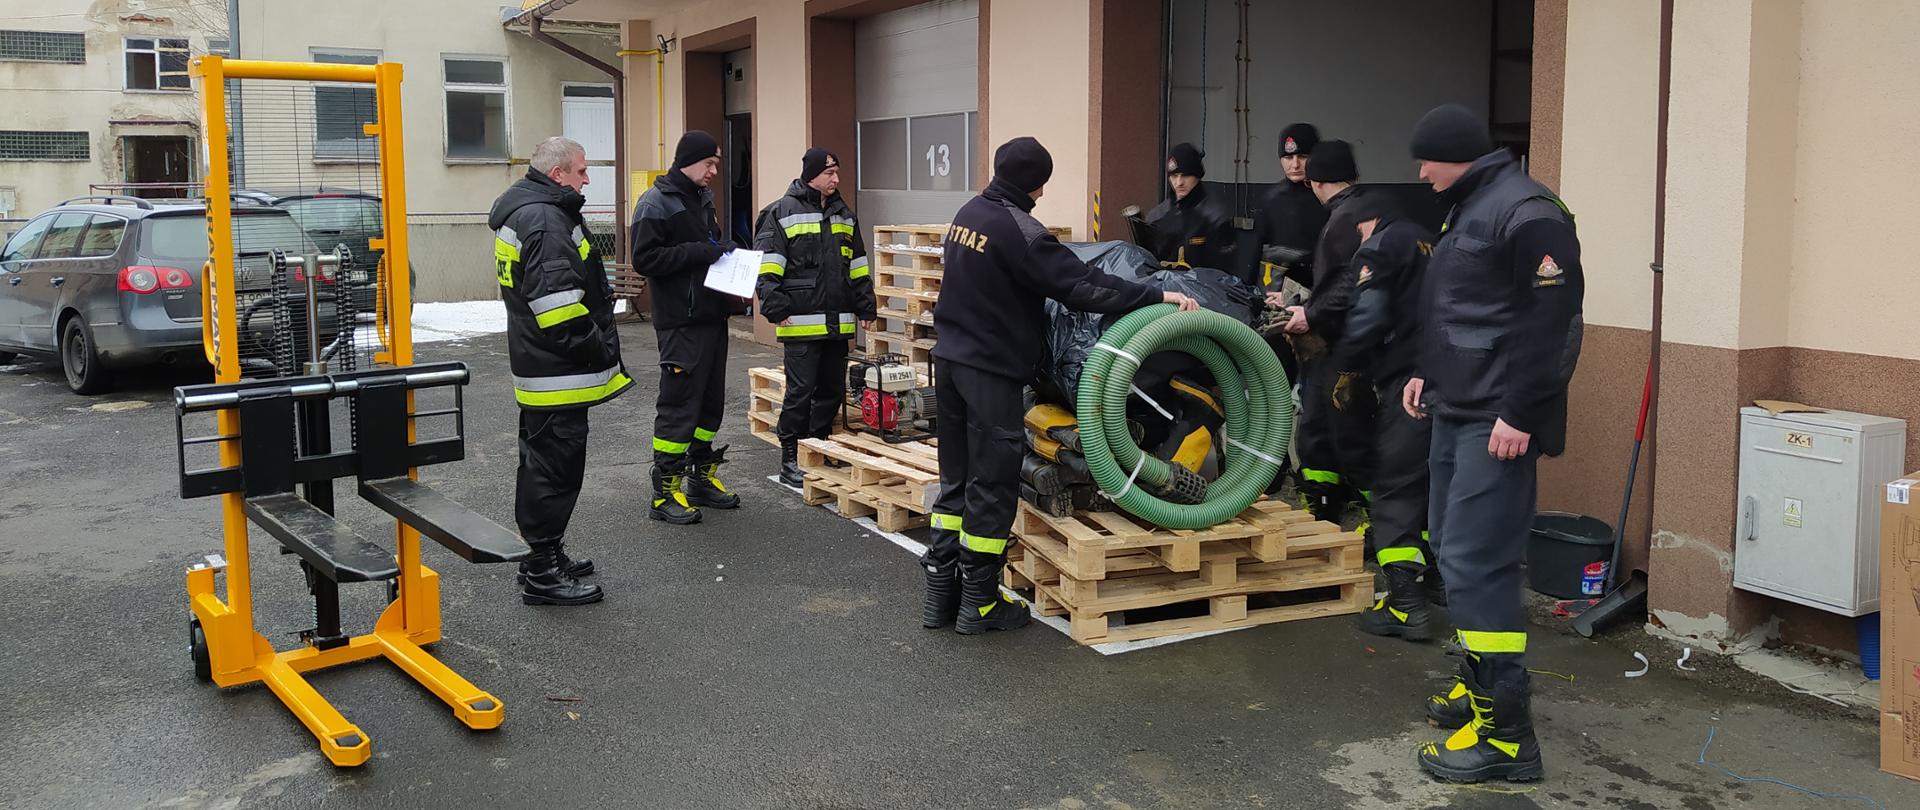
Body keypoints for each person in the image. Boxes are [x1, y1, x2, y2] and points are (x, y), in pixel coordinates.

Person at [922, 136, 1198, 635]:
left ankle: (942, 596)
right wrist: (1157, 294)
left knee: (958, 477)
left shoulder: (970, 214)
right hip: (989, 371)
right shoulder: (1021, 231)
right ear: (1038, 183)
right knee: (993, 482)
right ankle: (979, 605)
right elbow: (1082, 285)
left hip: (950, 361)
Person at [1402, 103, 1583, 784]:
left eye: (1428, 159)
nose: (1421, 173)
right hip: (1458, 404)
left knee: (1478, 562)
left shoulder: (1528, 210)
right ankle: (1478, 690)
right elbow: (1461, 306)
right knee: (1451, 548)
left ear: (1462, 155)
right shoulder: (1472, 204)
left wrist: (1522, 411)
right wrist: (1427, 369)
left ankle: (1507, 739)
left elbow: (1554, 321)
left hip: (1497, 420)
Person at [489, 136, 632, 606]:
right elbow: (559, 311)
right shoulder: (547, 220)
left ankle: (543, 558)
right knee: (553, 471)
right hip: (557, 374)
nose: (587, 179)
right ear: (558, 175)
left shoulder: (530, 211)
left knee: (544, 466)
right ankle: (544, 572)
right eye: (582, 170)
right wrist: (597, 351)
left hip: (541, 369)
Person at [1331, 195, 1438, 641]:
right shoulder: (1428, 241)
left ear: (1369, 221)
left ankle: (1405, 607)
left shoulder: (1379, 246)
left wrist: (1345, 364)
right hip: (1444, 379)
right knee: (1432, 484)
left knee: (1394, 488)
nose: (1359, 236)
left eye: (1359, 228)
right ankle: (1438, 582)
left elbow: (1369, 315)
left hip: (1406, 385)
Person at [632, 130, 747, 525]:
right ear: (688, 160)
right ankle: (664, 493)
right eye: (709, 163)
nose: (715, 171)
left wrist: (725, 256)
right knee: (679, 405)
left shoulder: (702, 199)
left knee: (709, 403)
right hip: (681, 323)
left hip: (711, 318)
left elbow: (706, 249)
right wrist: (702, 251)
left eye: (717, 164)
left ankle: (699, 477)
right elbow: (645, 259)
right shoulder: (656, 202)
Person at [754, 148, 876, 486]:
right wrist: (775, 309)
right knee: (800, 391)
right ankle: (790, 455)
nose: (836, 180)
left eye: (837, 173)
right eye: (829, 174)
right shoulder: (781, 212)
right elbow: (767, 267)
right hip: (800, 322)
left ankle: (817, 446)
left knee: (832, 391)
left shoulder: (843, 214)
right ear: (811, 175)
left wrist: (866, 305)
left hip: (837, 323)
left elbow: (858, 265)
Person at [1276, 139, 1376, 526]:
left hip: (1348, 346)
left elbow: (1352, 283)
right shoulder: (1357, 211)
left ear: (1315, 182)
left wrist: (1309, 313)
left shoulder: (1345, 219)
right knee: (1316, 428)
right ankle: (1321, 504)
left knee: (1352, 434)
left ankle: (1379, 520)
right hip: (1329, 347)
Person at [1143, 142, 1239, 275]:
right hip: (1163, 291)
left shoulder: (1216, 217)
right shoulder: (1157, 216)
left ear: (1197, 176)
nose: (1179, 182)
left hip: (1203, 292)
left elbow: (1225, 272)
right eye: (1174, 176)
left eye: (1185, 175)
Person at [1257, 122, 1328, 290]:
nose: (1295, 165)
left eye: (1303, 156)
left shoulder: (1328, 197)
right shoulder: (1271, 199)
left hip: (1322, 291)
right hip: (1278, 294)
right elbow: (1256, 252)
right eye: (1288, 157)